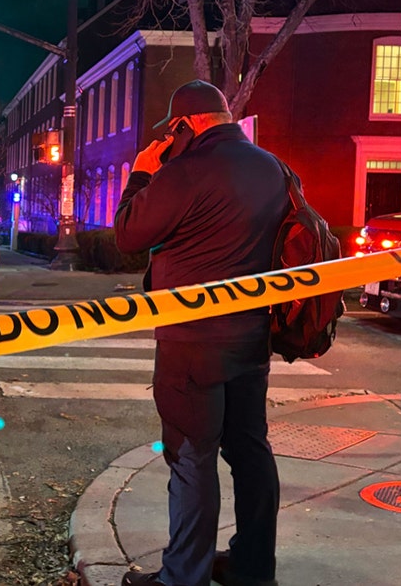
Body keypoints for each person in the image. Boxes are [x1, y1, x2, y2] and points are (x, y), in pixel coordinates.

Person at [113, 80, 288, 586]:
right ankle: (254, 569)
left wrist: (143, 174)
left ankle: (182, 577)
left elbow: (128, 233)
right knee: (251, 450)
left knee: (192, 457)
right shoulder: (272, 167)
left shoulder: (185, 171)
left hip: (192, 345)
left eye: (172, 134)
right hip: (253, 337)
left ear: (184, 126)